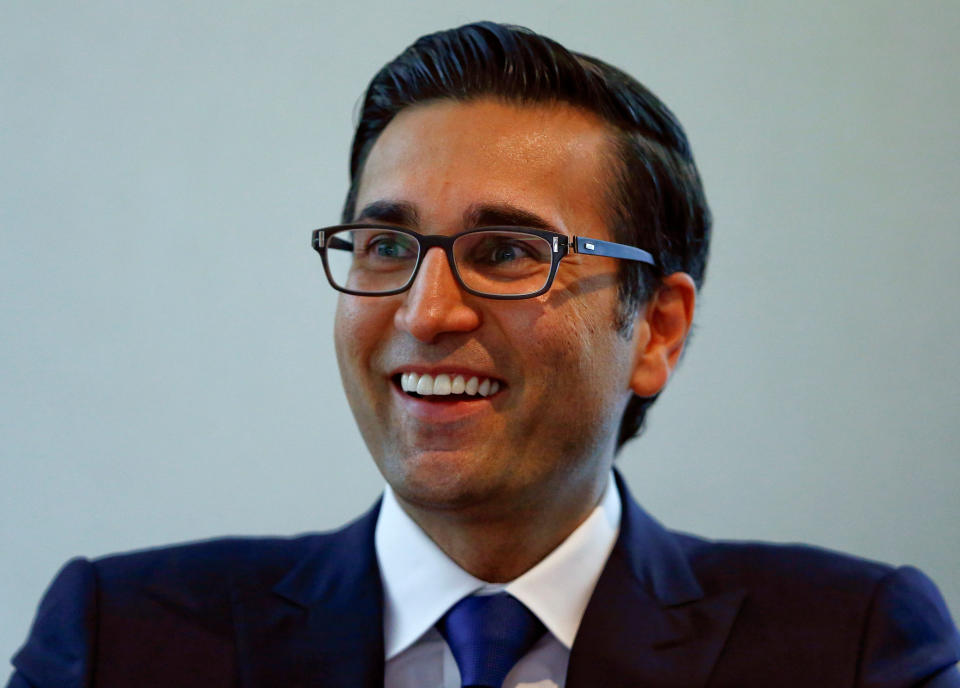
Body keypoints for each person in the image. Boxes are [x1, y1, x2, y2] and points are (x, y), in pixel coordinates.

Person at [7, 21, 960, 688]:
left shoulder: (852, 647)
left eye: (505, 253)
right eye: (386, 247)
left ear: (656, 331)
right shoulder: (122, 640)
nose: (427, 311)